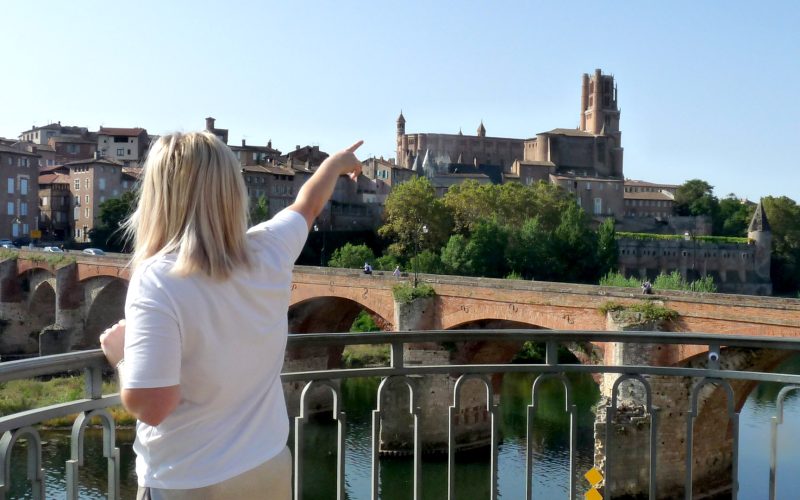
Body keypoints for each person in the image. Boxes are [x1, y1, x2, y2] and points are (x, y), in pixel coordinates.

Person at [99, 131, 363, 499]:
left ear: (159, 195)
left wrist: (122, 355)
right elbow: (309, 204)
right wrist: (335, 165)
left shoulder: (157, 278)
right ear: (231, 191)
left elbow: (153, 405)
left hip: (189, 481)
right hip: (267, 467)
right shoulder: (269, 248)